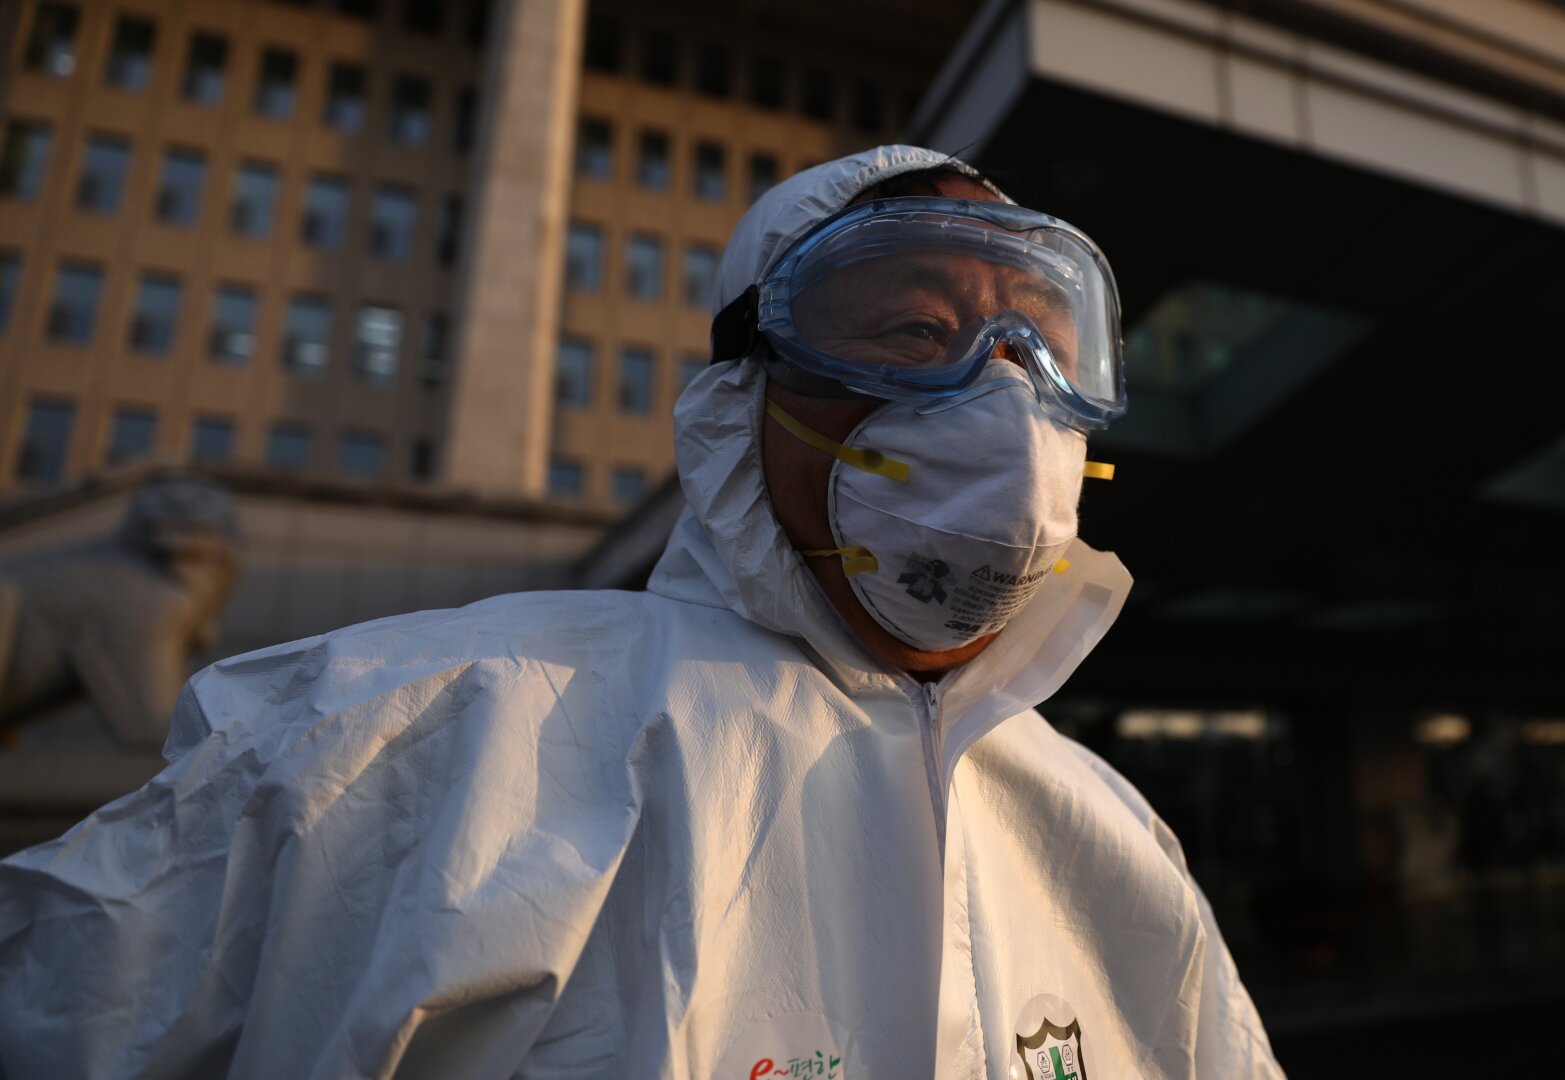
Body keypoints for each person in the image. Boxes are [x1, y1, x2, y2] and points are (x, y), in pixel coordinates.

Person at [0, 146, 1282, 1079]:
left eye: (1040, 348)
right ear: (747, 399)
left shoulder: (1111, 843)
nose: (1001, 401)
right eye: (911, 328)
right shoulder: (408, 754)